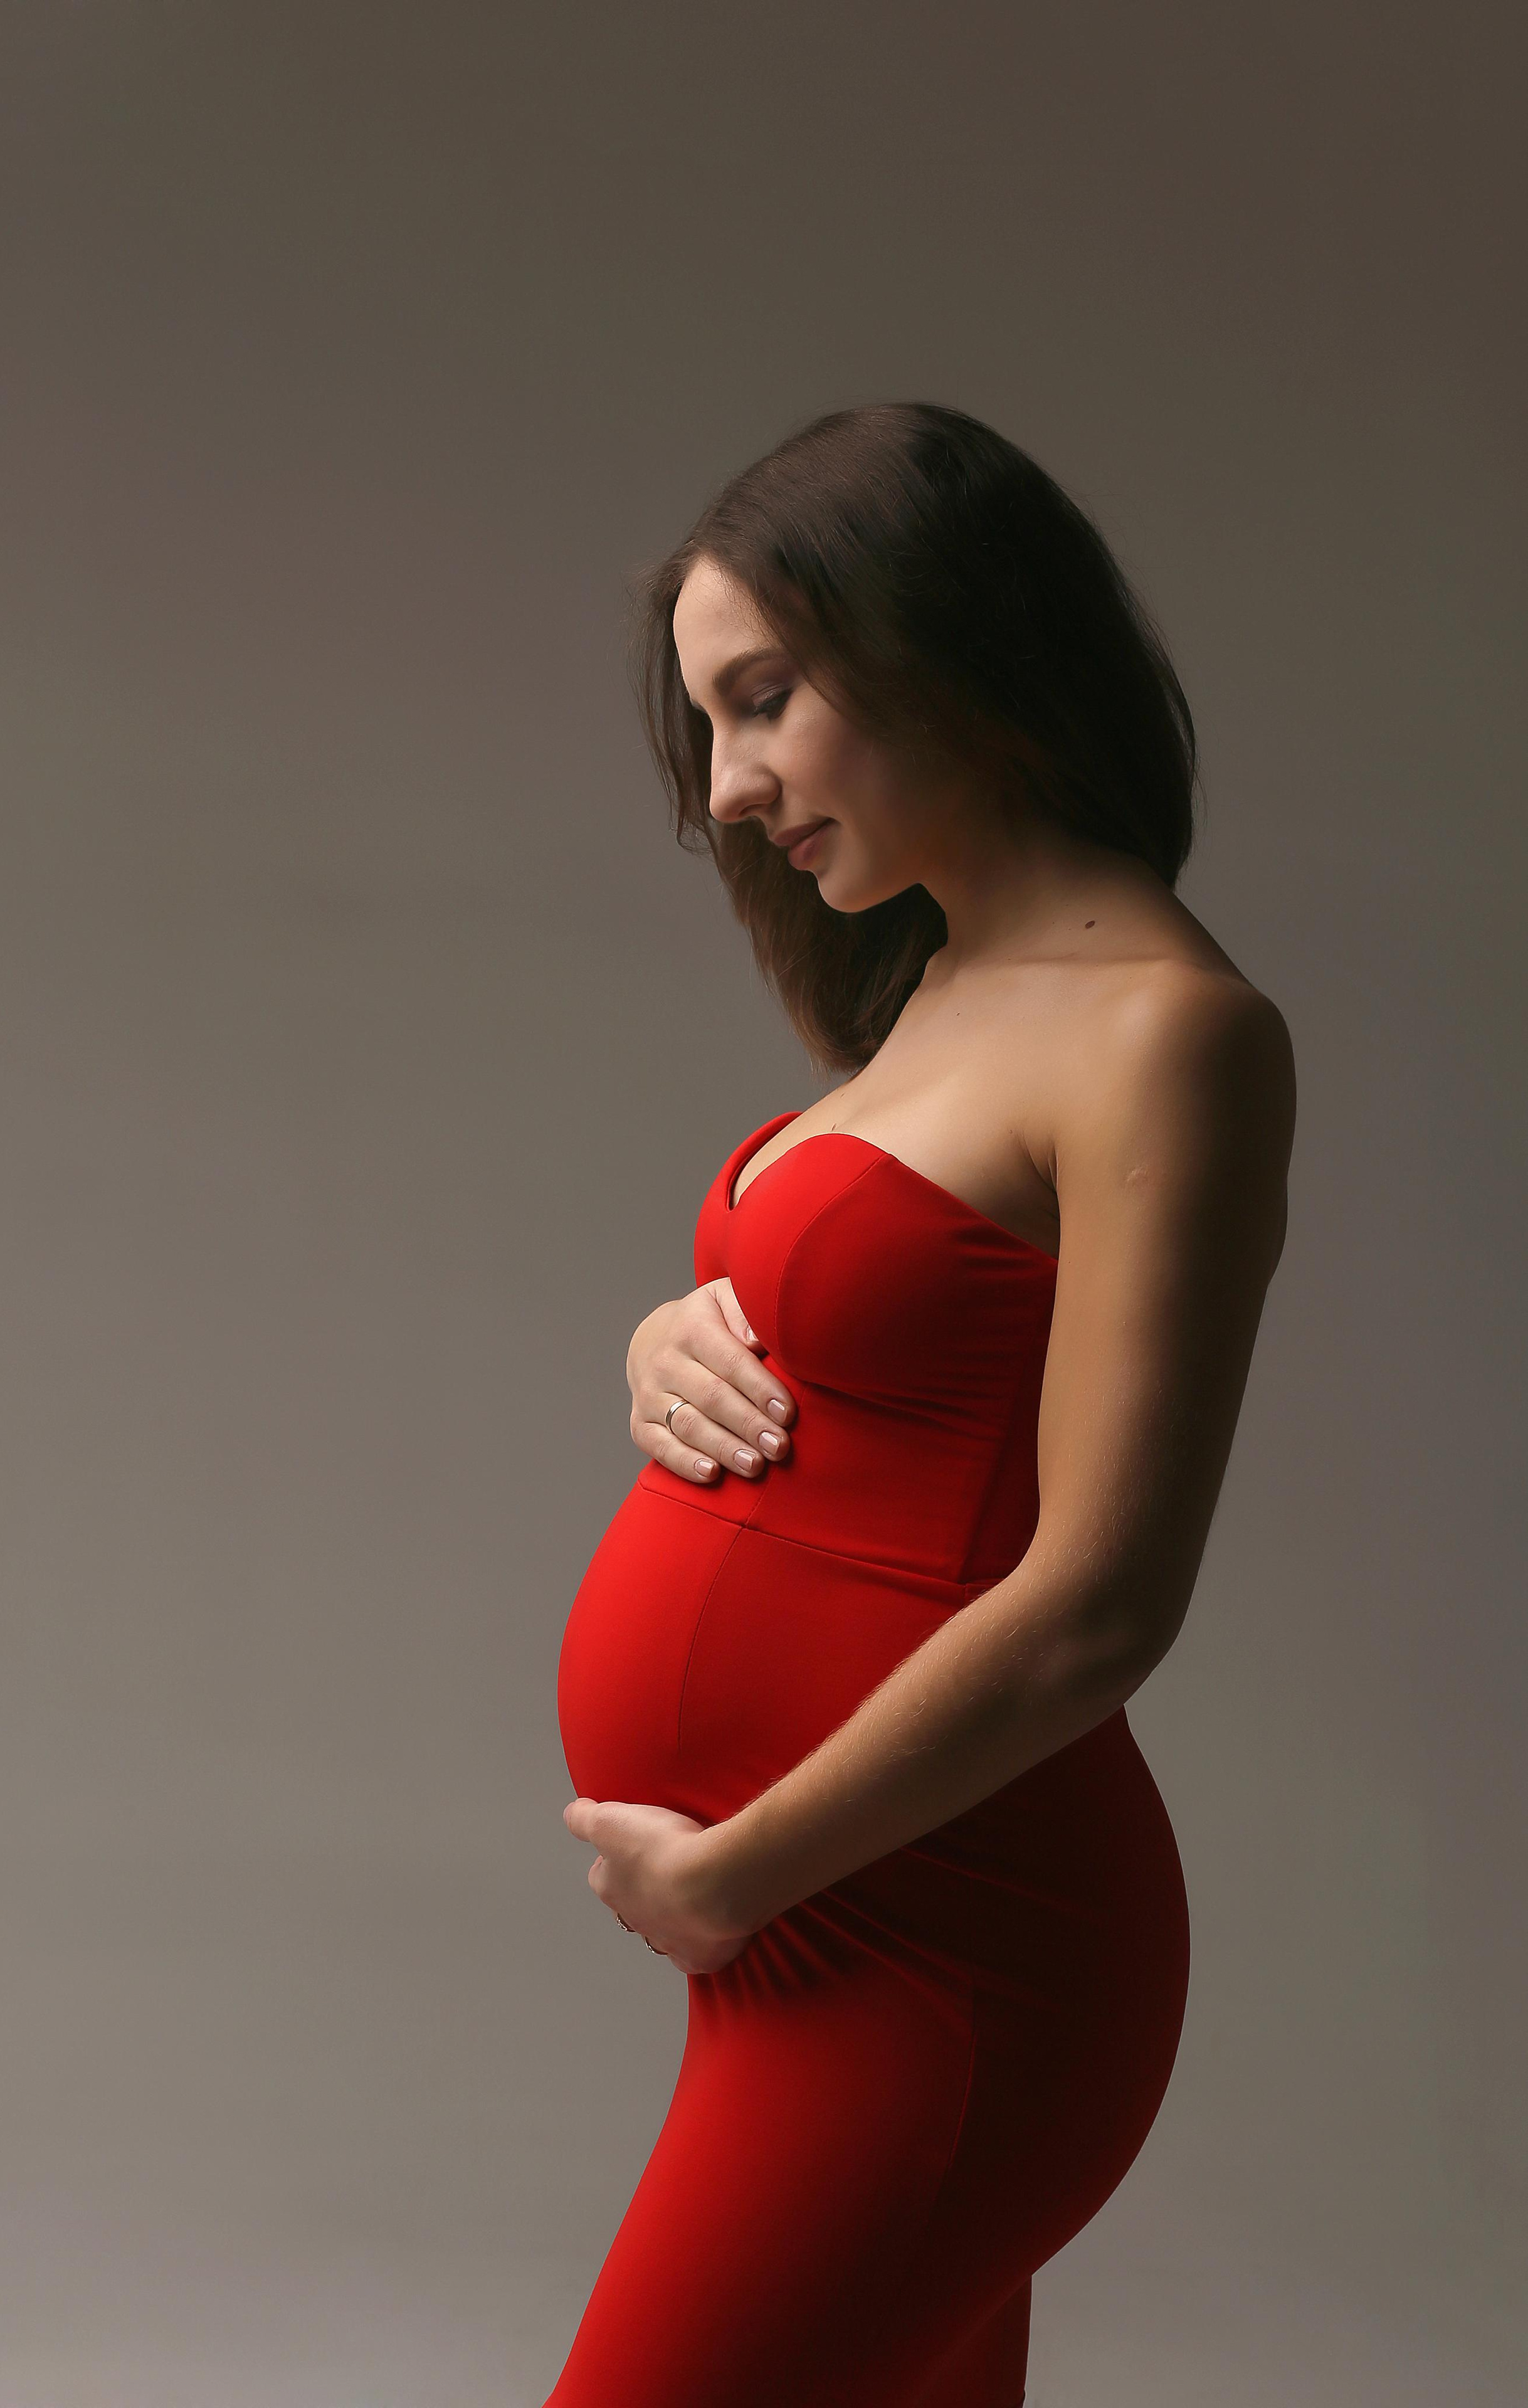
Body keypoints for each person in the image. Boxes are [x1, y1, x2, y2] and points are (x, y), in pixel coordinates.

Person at [548, 401, 1295, 2407]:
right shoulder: (930, 997)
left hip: (943, 1949)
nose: (726, 787)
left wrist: (738, 1867)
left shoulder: (1174, 1035)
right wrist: (664, 1335)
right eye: (708, 726)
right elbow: (875, 1331)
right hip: (818, 1934)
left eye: (764, 700)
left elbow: (1104, 1602)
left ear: (939, 628)